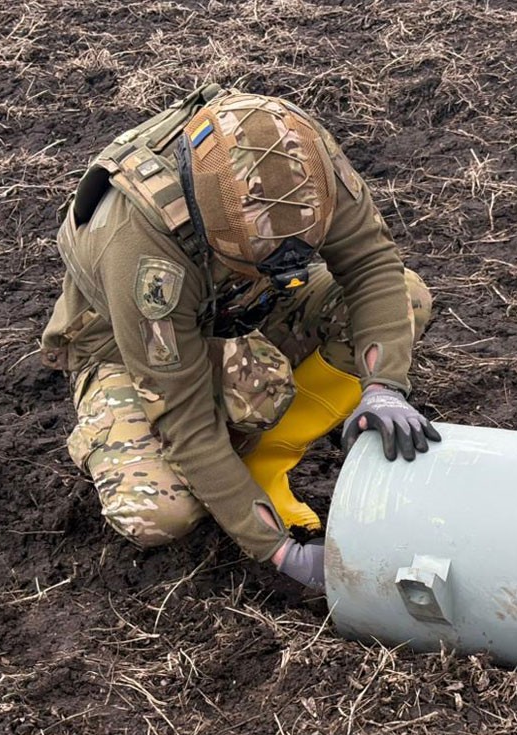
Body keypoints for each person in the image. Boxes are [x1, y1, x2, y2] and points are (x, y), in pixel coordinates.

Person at [40, 84, 440, 589]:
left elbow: (372, 265)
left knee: (405, 301)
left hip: (241, 306)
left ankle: (265, 462)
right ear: (214, 229)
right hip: (128, 347)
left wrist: (383, 387)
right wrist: (276, 550)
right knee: (157, 512)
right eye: (265, 255)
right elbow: (183, 418)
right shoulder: (144, 249)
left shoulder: (298, 156)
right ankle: (159, 446)